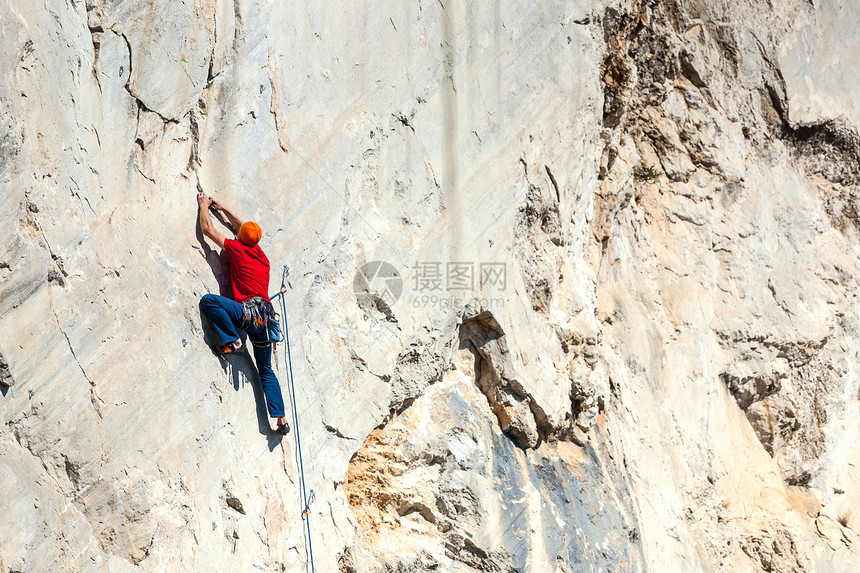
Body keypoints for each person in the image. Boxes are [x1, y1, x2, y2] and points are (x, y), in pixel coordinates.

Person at [196, 192, 288, 433]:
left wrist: (203, 205)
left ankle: (232, 340)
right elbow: (245, 229)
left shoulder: (237, 249)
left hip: (248, 314)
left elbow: (207, 230)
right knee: (266, 370)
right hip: (266, 323)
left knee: (209, 302)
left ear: (240, 238)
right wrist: (223, 207)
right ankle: (281, 419)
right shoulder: (263, 257)